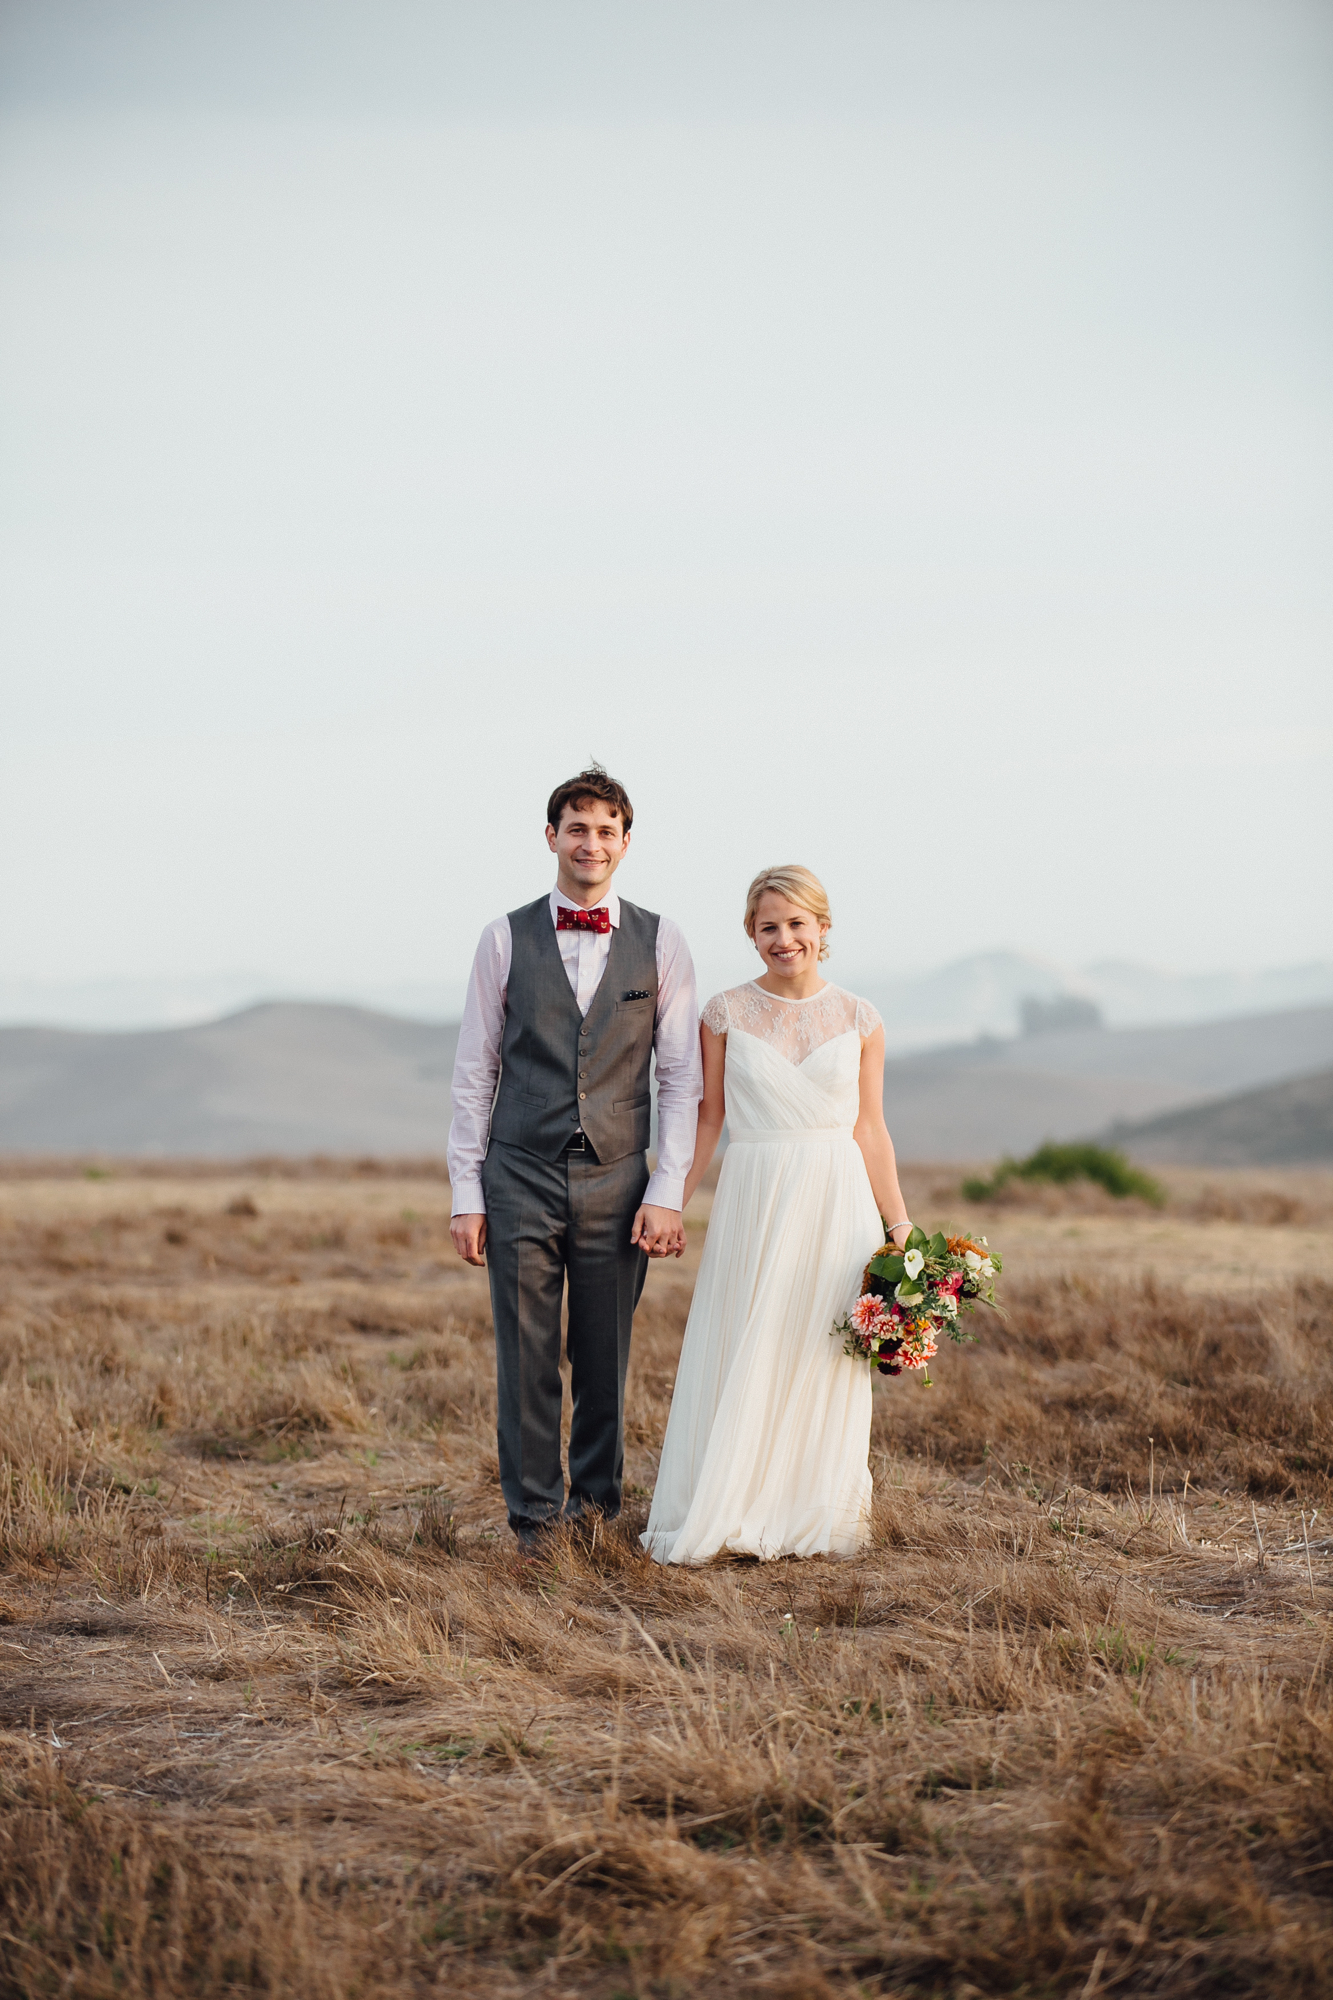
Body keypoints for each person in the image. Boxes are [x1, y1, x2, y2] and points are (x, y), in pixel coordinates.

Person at [448, 766, 701, 1550]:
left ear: (626, 843)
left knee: (603, 1358)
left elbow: (680, 1075)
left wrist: (667, 1187)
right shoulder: (502, 937)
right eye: (576, 827)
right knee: (525, 1358)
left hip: (621, 1180)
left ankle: (595, 1514)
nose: (590, 843)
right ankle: (534, 1522)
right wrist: (467, 1191)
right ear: (551, 836)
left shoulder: (660, 940)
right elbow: (474, 1069)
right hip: (517, 1172)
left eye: (605, 829)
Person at [642, 865, 912, 1565]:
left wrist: (899, 1225)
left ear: (823, 929)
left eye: (797, 924)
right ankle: (731, 1504)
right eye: (768, 926)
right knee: (747, 1340)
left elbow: (871, 1130)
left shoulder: (860, 1018)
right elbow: (708, 1120)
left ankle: (807, 1512)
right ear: (750, 934)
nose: (783, 938)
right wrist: (669, 1198)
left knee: (819, 1350)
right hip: (754, 1192)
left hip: (835, 1196)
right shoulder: (725, 1014)